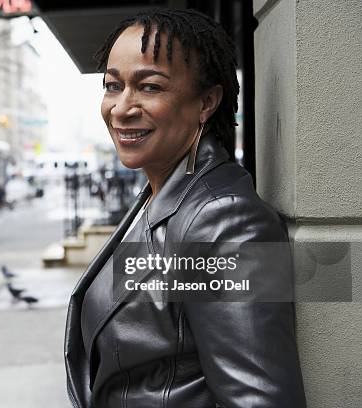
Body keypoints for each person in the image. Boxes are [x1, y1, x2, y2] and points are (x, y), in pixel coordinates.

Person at [64, 9, 307, 408]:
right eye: (112, 86)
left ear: (207, 102)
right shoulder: (160, 195)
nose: (122, 107)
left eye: (150, 87)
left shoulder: (225, 221)